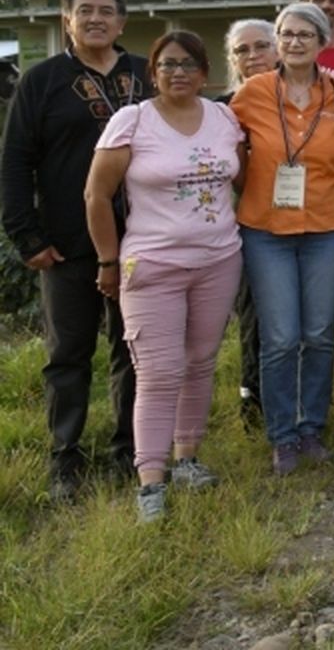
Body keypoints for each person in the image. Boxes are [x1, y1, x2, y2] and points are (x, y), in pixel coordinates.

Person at [84, 31, 243, 522]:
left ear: (204, 71)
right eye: (168, 64)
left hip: (219, 259)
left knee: (199, 362)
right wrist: (108, 261)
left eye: (189, 64)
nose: (179, 72)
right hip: (153, 264)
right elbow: (96, 196)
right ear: (152, 72)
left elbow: (241, 177)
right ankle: (150, 481)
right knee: (159, 372)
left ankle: (188, 458)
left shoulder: (223, 117)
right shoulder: (131, 121)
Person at [1, 0, 144, 500]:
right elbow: (14, 161)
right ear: (68, 20)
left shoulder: (146, 75)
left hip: (143, 241)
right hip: (65, 242)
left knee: (134, 349)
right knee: (68, 353)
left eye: (106, 11)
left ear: (122, 22)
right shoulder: (42, 81)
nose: (95, 20)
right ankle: (65, 457)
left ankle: (131, 449)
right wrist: (27, 236)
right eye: (84, 11)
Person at [231, 3, 334, 475]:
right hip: (266, 229)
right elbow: (225, 145)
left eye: (306, 34)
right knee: (281, 337)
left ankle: (312, 428)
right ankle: (282, 436)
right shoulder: (252, 93)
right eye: (286, 33)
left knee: (320, 334)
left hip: (327, 225)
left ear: (323, 41)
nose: (295, 41)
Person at [222, 17, 279, 426]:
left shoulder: (303, 98)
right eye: (243, 50)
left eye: (262, 46)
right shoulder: (223, 110)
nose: (253, 55)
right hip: (241, 221)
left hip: (302, 218)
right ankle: (253, 394)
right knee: (253, 310)